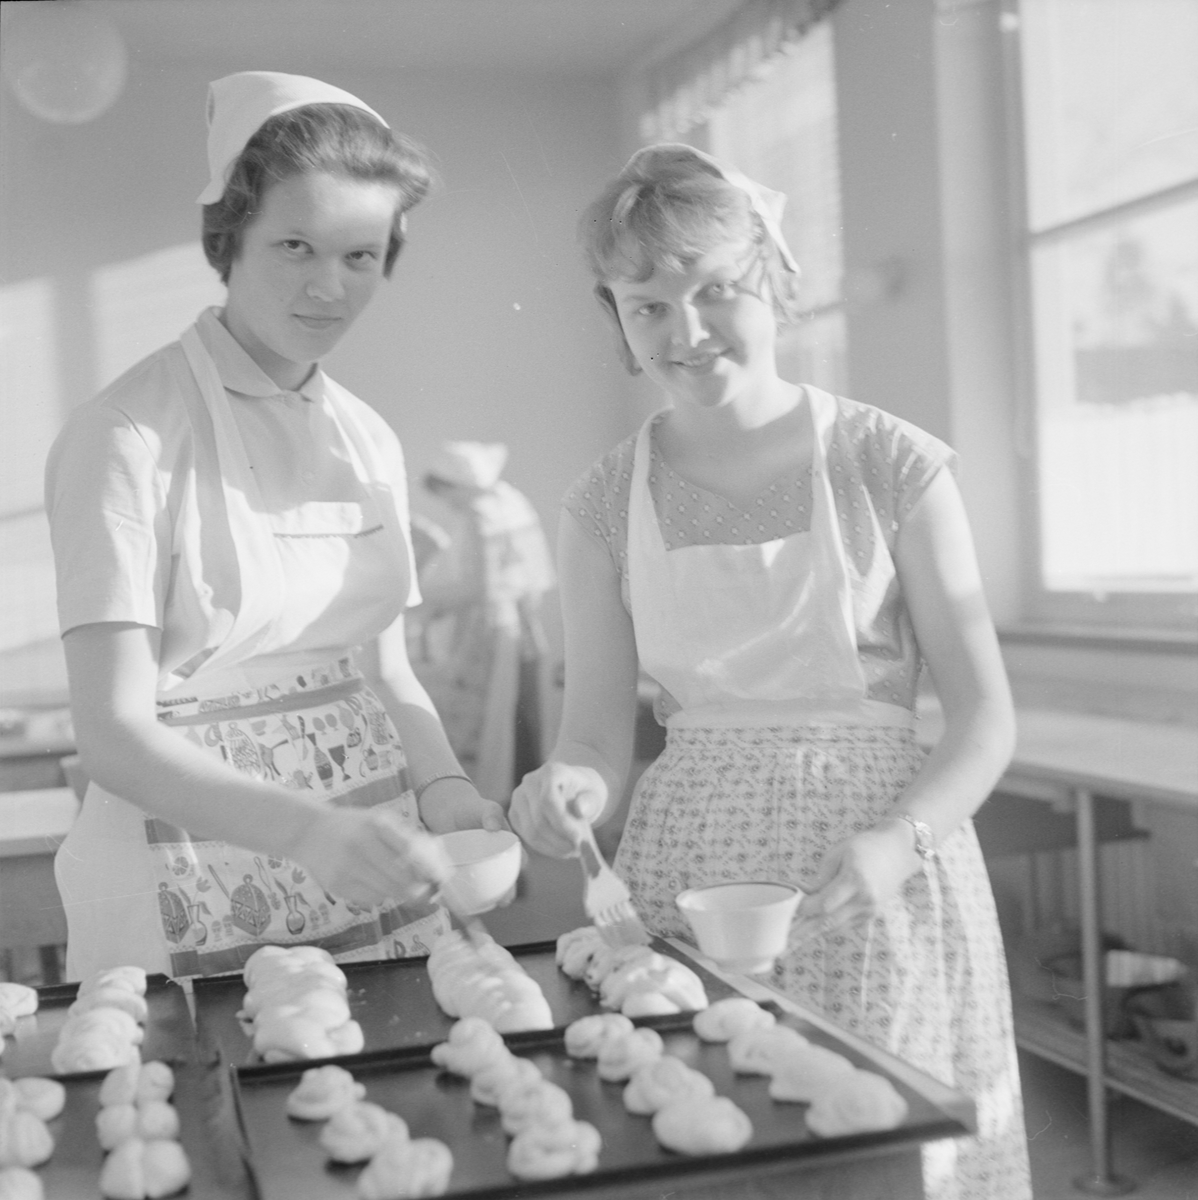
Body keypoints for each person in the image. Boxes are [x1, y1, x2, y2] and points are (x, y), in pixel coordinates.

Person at [509, 144, 1031, 1199]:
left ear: (777, 284)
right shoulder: (603, 503)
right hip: (686, 874)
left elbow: (983, 720)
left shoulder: (890, 463)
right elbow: (597, 734)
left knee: (882, 1154)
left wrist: (900, 843)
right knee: (707, 1141)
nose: (684, 331)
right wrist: (562, 790)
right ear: (614, 318)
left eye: (716, 292)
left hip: (872, 873)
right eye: (646, 305)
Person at [45, 72, 506, 981]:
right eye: (295, 245)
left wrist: (446, 788)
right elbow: (110, 730)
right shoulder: (127, 434)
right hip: (184, 857)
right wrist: (303, 831)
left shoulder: (366, 436)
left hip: (368, 843)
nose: (328, 289)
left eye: (361, 256)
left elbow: (384, 664)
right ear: (231, 238)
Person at [405, 441, 556, 801]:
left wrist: (421, 604)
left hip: (488, 630)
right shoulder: (509, 502)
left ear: (457, 484)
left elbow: (478, 587)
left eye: (447, 495)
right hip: (519, 625)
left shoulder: (478, 514)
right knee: (516, 720)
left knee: (484, 722)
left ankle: (487, 799)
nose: (449, 505)